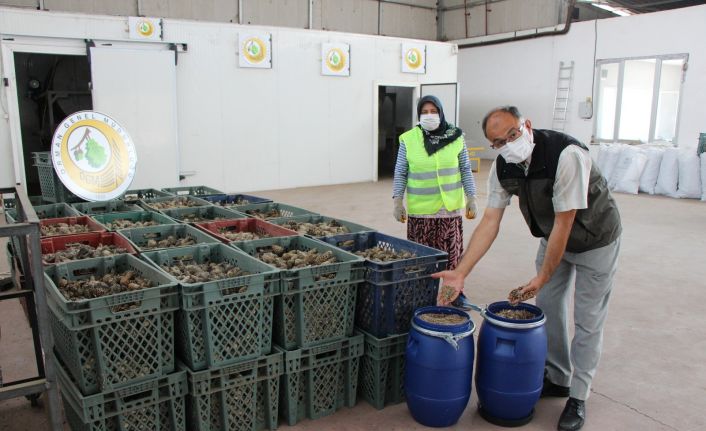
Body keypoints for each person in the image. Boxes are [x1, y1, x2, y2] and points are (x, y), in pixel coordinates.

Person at [433, 106, 621, 431]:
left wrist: (543, 276)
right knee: (548, 307)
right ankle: (559, 378)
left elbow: (566, 221)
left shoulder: (566, 155)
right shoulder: (503, 167)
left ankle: (578, 396)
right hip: (554, 237)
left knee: (588, 320)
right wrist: (461, 271)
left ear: (527, 125)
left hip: (596, 239)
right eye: (498, 142)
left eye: (513, 134)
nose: (508, 143)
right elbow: (490, 220)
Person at [392, 95, 478, 307]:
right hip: (421, 212)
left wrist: (471, 197)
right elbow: (401, 172)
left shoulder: (456, 137)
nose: (430, 115)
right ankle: (420, 298)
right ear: (419, 115)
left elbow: (465, 169)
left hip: (449, 209)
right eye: (425, 112)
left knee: (453, 257)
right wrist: (397, 201)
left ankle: (455, 294)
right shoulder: (408, 139)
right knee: (421, 260)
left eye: (434, 111)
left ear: (441, 112)